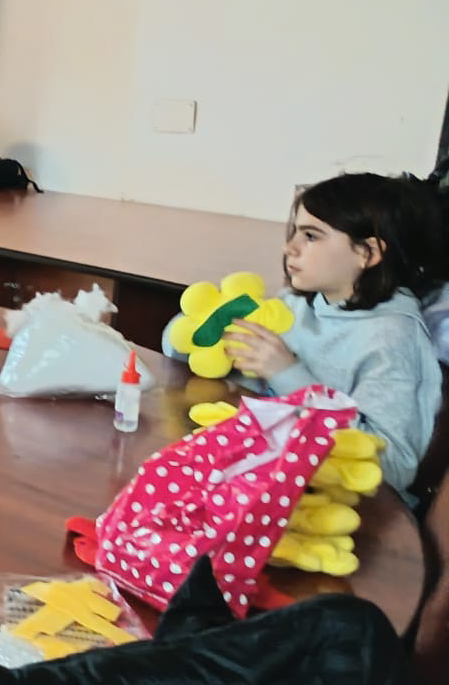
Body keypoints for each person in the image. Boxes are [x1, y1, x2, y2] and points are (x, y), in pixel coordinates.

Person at [164, 172, 445, 503]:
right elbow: (186, 355)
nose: (290, 247)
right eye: (295, 231)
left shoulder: (392, 339)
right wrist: (201, 332)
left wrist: (288, 375)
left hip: (343, 509)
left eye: (311, 236)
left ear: (367, 253)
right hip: (263, 475)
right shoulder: (295, 303)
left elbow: (392, 467)